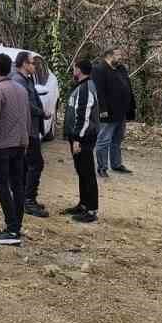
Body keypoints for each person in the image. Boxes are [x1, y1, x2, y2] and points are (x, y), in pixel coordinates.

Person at [0, 52, 31, 246]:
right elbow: (26, 119)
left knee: (2, 186)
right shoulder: (21, 90)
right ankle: (16, 225)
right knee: (17, 185)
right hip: (19, 144)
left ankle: (11, 229)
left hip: (1, 146)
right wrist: (26, 142)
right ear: (9, 68)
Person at [60, 58, 100, 222]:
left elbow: (83, 116)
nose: (72, 71)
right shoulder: (82, 86)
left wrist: (77, 139)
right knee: (82, 172)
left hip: (83, 138)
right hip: (79, 137)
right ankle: (83, 204)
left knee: (87, 172)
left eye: (74, 68)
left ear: (79, 70)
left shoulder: (85, 88)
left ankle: (91, 210)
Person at [13, 51, 49, 218]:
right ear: (24, 64)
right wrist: (42, 113)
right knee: (36, 164)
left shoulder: (27, 79)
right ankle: (28, 200)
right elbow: (26, 104)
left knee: (28, 165)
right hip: (27, 130)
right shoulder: (19, 81)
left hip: (32, 129)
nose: (34, 66)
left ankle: (25, 198)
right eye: (32, 63)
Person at [92, 49, 133, 178]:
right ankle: (102, 167)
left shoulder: (121, 69)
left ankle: (116, 164)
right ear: (109, 56)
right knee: (104, 140)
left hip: (121, 112)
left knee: (117, 139)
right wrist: (102, 110)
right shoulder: (99, 69)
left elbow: (128, 87)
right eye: (118, 55)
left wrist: (131, 107)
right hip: (108, 112)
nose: (120, 57)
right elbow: (99, 92)